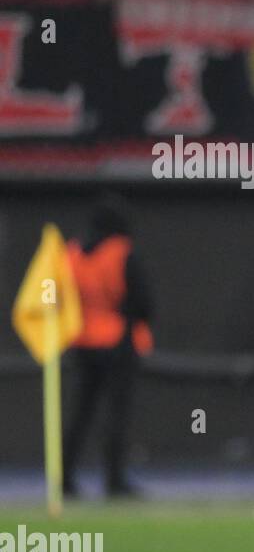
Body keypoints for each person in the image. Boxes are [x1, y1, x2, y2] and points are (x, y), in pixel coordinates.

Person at [63, 196, 154, 498]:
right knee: (116, 414)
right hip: (118, 341)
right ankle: (114, 481)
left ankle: (65, 479)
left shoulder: (72, 253)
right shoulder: (120, 253)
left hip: (82, 340)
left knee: (80, 412)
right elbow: (143, 302)